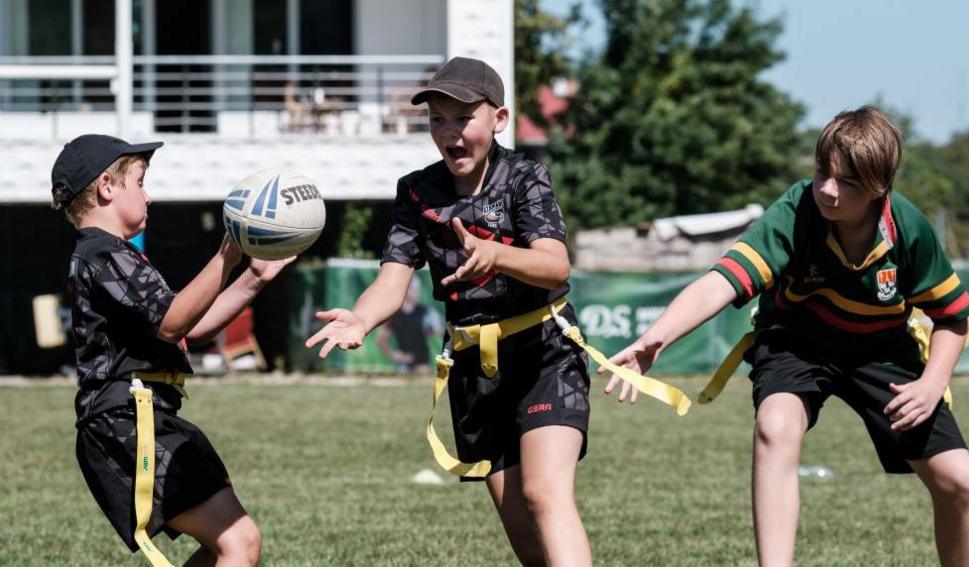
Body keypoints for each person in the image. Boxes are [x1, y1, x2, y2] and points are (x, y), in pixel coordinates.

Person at [607, 107, 969, 566]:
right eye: (823, 171)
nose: (827, 188)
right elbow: (721, 281)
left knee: (958, 478)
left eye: (847, 181)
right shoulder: (797, 209)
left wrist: (931, 383)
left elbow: (952, 317)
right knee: (775, 427)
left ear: (879, 186)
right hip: (797, 342)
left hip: (882, 348)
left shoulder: (907, 228)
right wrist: (656, 339)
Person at [306, 57, 595, 565]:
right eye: (437, 119)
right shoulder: (417, 192)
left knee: (543, 495)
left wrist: (497, 254)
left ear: (499, 119)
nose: (449, 131)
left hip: (544, 356)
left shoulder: (526, 177)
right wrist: (362, 318)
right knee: (523, 533)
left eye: (463, 118)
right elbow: (391, 280)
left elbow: (555, 268)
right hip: (475, 372)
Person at [52, 134, 293, 566]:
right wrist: (226, 255)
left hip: (145, 415)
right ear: (107, 186)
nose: (149, 195)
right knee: (240, 542)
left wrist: (254, 278)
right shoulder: (102, 254)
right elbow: (173, 320)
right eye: (140, 183)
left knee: (225, 543)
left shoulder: (114, 256)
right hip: (125, 421)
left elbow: (190, 328)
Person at [375, 275, 440, 373]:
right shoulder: (393, 314)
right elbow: (381, 341)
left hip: (422, 362)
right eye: (412, 288)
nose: (415, 292)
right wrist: (395, 356)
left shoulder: (425, 312)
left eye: (416, 289)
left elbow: (437, 330)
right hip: (403, 364)